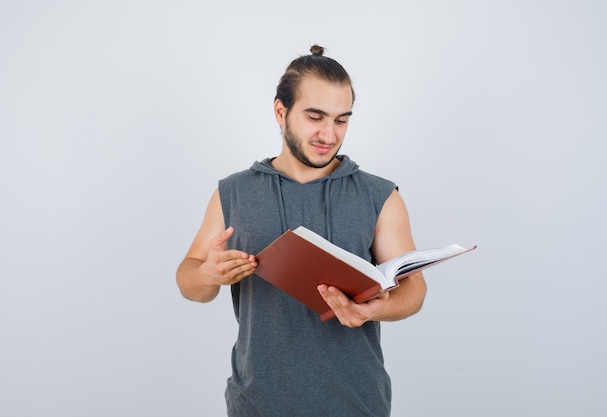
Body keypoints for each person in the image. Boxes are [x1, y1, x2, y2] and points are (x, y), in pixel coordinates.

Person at [176, 45, 427, 417]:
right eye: (315, 116)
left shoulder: (380, 195)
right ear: (281, 111)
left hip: (357, 404)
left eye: (342, 120)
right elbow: (189, 280)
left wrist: (377, 308)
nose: (329, 133)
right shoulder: (233, 192)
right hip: (256, 404)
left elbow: (414, 290)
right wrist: (208, 274)